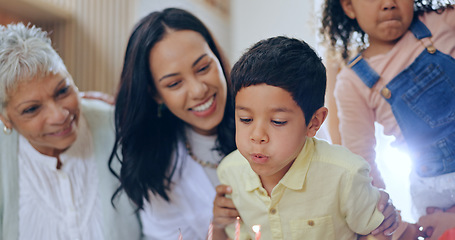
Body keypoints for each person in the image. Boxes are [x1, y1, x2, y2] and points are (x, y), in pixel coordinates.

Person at [215, 36, 397, 240]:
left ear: (314, 123)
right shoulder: (229, 173)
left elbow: (378, 234)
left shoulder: (345, 174)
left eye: (278, 121)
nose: (257, 136)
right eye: (246, 119)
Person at [0, 23, 141, 239]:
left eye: (63, 90)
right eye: (32, 109)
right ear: (5, 119)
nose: (59, 115)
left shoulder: (117, 126)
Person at [320, 0, 455, 225]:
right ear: (349, 7)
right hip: (436, 196)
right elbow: (361, 163)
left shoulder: (442, 21)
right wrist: (389, 219)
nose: (389, 4)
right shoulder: (353, 82)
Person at [108, 8, 238, 239]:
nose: (199, 90)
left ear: (217, 57)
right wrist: (218, 228)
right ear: (155, 94)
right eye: (174, 83)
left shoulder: (267, 115)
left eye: (203, 68)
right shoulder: (157, 171)